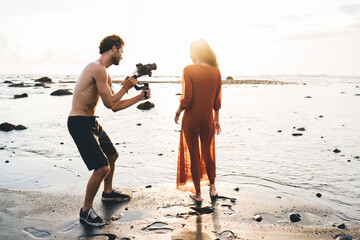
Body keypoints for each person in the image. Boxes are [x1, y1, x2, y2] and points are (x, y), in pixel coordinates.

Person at [67, 34, 150, 227]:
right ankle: (85, 210)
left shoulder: (104, 72)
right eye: (121, 51)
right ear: (114, 48)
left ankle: (108, 193)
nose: (122, 56)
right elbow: (110, 102)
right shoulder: (97, 68)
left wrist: (139, 97)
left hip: (90, 122)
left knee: (112, 155)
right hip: (79, 123)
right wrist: (126, 88)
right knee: (102, 167)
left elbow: (114, 106)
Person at [174, 39, 222, 203]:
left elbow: (187, 98)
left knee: (194, 153)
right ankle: (213, 188)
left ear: (195, 52)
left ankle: (198, 194)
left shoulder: (189, 70)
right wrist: (216, 120)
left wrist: (178, 111)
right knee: (208, 153)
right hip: (208, 118)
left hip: (192, 118)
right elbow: (217, 100)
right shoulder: (216, 71)